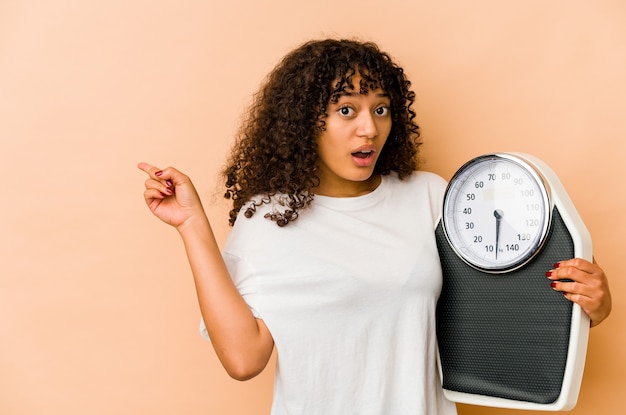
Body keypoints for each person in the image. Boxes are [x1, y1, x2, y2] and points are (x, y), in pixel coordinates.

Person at [138, 39, 612, 414]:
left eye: (380, 109)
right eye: (346, 110)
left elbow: (494, 309)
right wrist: (191, 225)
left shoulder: (428, 196)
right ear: (306, 122)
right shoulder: (267, 218)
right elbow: (244, 360)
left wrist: (590, 303)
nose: (369, 128)